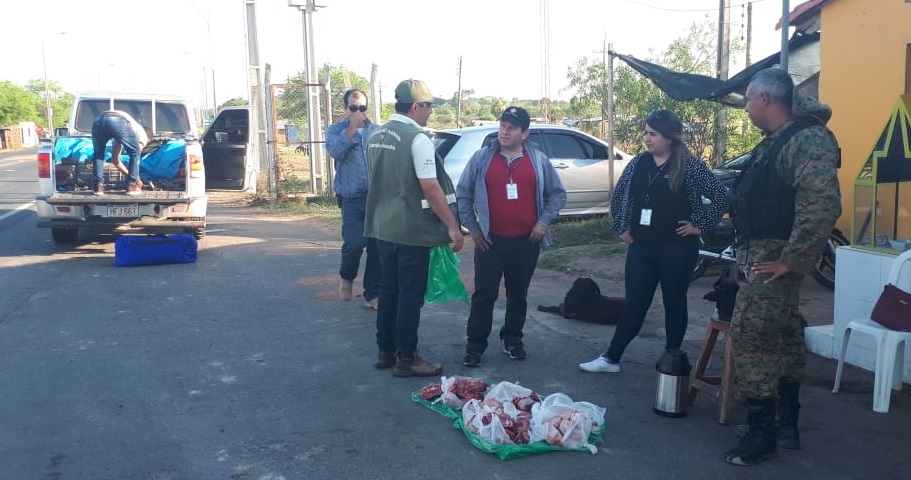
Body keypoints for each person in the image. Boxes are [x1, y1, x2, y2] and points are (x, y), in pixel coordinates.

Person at [722, 68, 841, 466]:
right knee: (786, 334)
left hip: (778, 259)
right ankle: (783, 423)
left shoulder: (807, 140)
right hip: (763, 256)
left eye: (748, 101)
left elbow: (822, 206)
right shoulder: (775, 142)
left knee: (751, 336)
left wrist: (792, 261)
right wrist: (744, 258)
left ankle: (762, 435)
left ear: (765, 99)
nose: (747, 109)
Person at [578, 109, 727, 373]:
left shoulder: (689, 166)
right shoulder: (639, 163)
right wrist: (621, 226)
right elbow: (621, 193)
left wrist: (699, 225)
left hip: (677, 248)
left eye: (653, 134)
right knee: (634, 303)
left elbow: (722, 197)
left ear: (669, 137)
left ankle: (671, 360)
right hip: (641, 247)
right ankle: (611, 358)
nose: (647, 138)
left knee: (674, 301)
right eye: (646, 133)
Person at [364, 79, 463, 377]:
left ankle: (386, 352)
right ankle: (407, 357)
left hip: (382, 227)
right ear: (416, 106)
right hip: (410, 230)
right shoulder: (417, 139)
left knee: (389, 291)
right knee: (409, 295)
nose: (431, 112)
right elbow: (430, 187)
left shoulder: (376, 135)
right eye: (429, 106)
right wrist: (453, 227)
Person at [457, 106, 567, 367]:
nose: (504, 131)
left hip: (526, 240)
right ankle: (475, 346)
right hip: (489, 241)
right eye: (502, 126)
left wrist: (543, 222)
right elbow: (463, 193)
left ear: (525, 133)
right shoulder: (482, 158)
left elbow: (558, 194)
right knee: (484, 294)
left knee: (518, 293)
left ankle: (513, 340)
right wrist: (473, 228)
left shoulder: (538, 160)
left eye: (511, 127)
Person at [326, 88, 381, 309]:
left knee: (377, 246)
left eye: (363, 108)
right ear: (345, 109)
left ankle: (372, 293)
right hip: (351, 197)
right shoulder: (336, 130)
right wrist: (351, 128)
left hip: (376, 199)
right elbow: (335, 151)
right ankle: (347, 277)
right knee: (355, 243)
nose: (359, 113)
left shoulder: (375, 131)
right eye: (354, 108)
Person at [90, 110, 149, 196]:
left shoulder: (124, 132)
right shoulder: (143, 136)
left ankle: (98, 188)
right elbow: (135, 155)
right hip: (116, 119)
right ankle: (132, 187)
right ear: (148, 139)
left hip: (98, 121)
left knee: (99, 154)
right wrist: (136, 180)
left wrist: (132, 176)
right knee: (135, 152)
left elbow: (115, 161)